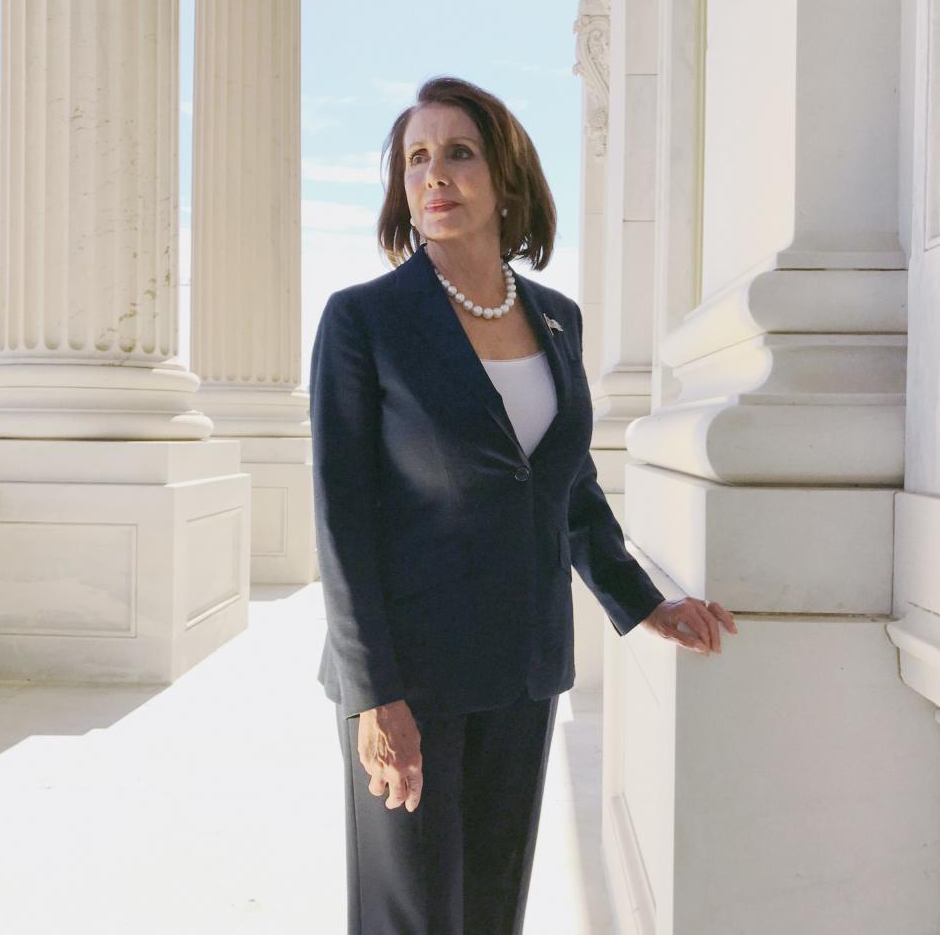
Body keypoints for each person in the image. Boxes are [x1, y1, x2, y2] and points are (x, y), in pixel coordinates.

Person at [309, 76, 738, 935]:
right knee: (413, 918)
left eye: (458, 153)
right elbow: (342, 520)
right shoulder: (363, 321)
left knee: (490, 912)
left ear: (505, 177)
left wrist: (643, 600)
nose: (434, 175)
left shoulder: (556, 320)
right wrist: (373, 694)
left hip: (524, 663)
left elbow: (564, 487)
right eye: (416, 158)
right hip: (411, 675)